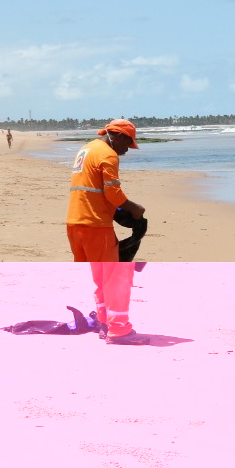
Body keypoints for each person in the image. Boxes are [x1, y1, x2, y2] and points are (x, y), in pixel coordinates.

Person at [66, 119, 146, 344]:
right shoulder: (108, 154)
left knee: (101, 279)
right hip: (95, 226)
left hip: (75, 224)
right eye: (127, 145)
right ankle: (119, 330)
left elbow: (93, 189)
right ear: (118, 136)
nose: (126, 152)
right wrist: (134, 208)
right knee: (117, 278)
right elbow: (112, 192)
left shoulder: (85, 149)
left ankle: (104, 322)